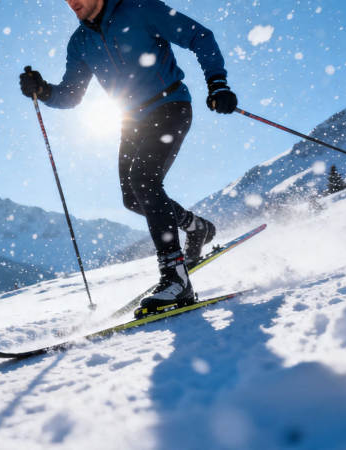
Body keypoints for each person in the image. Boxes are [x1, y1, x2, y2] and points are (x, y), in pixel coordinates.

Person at [19, 0, 237, 312]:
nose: (71, 2)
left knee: (144, 180)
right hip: (131, 121)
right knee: (133, 198)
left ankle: (176, 280)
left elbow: (199, 36)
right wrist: (43, 90)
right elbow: (71, 95)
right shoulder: (80, 42)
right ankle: (196, 228)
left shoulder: (139, 8)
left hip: (170, 105)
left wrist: (217, 83)